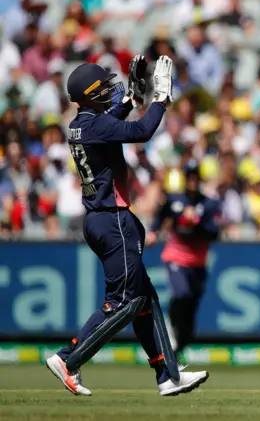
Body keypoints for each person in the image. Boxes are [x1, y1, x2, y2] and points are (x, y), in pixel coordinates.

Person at [45, 56, 209, 396]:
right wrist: (161, 99)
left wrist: (132, 99)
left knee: (144, 298)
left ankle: (168, 375)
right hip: (113, 219)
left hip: (103, 218)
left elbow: (112, 122)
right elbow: (141, 130)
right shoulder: (95, 126)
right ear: (90, 95)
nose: (109, 90)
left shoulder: (82, 123)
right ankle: (69, 358)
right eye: (103, 88)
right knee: (124, 302)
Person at [146, 161, 222, 356]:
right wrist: (154, 232)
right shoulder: (175, 200)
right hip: (176, 256)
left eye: (196, 176)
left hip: (198, 261)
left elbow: (214, 232)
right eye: (190, 176)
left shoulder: (208, 203)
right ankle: (170, 325)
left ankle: (177, 349)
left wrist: (196, 221)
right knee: (181, 293)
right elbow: (161, 215)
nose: (193, 181)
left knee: (190, 314)